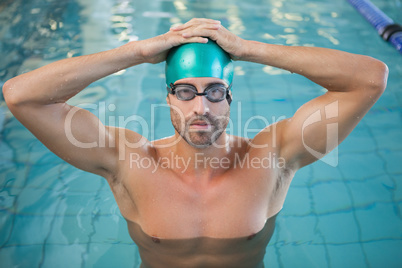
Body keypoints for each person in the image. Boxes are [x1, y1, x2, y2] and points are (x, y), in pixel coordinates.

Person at [2, 18, 388, 267]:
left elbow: (370, 78)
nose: (200, 107)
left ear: (231, 97)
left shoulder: (273, 156)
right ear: (168, 98)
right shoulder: (127, 160)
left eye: (216, 92)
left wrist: (251, 50)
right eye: (185, 92)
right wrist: (136, 53)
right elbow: (21, 95)